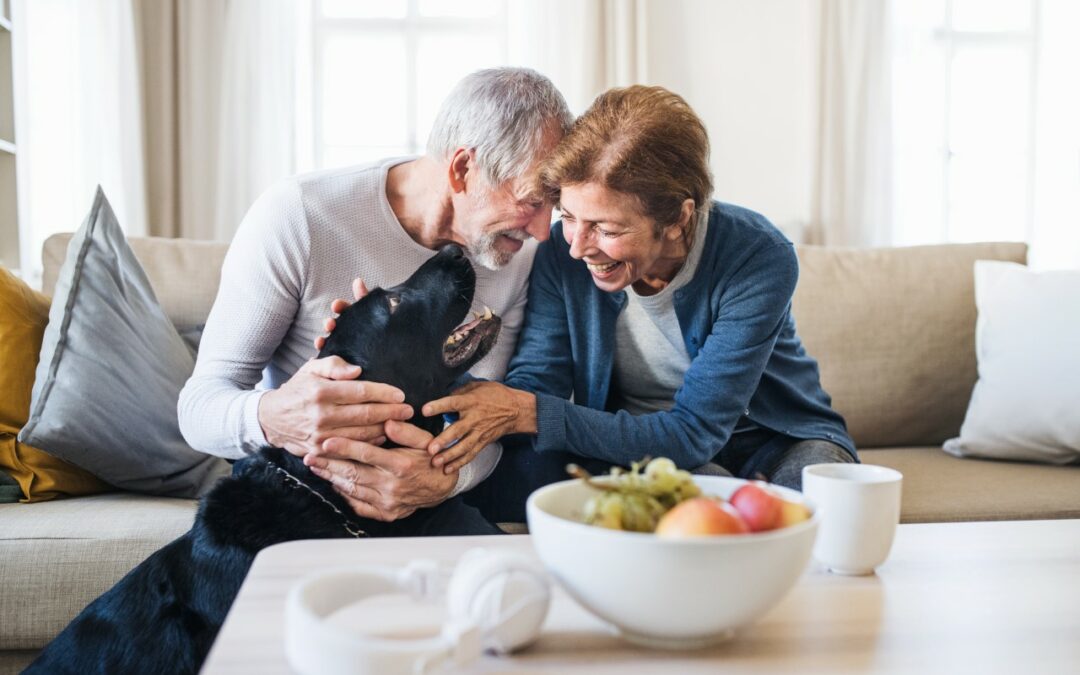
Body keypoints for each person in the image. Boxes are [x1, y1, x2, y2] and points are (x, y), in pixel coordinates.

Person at [417, 85, 856, 518]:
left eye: (607, 229)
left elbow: (693, 432)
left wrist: (529, 411)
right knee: (692, 515)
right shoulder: (559, 253)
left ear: (677, 218)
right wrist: (433, 383)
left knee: (821, 509)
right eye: (569, 217)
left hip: (780, 439)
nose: (578, 247)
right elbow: (537, 384)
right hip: (640, 449)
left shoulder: (757, 256)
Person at [178, 68, 573, 531]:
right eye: (531, 201)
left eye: (555, 204)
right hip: (298, 486)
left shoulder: (517, 253)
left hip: (424, 489)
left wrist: (446, 478)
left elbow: (483, 420)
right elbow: (198, 410)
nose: (544, 231)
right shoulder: (300, 215)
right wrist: (277, 415)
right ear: (463, 168)